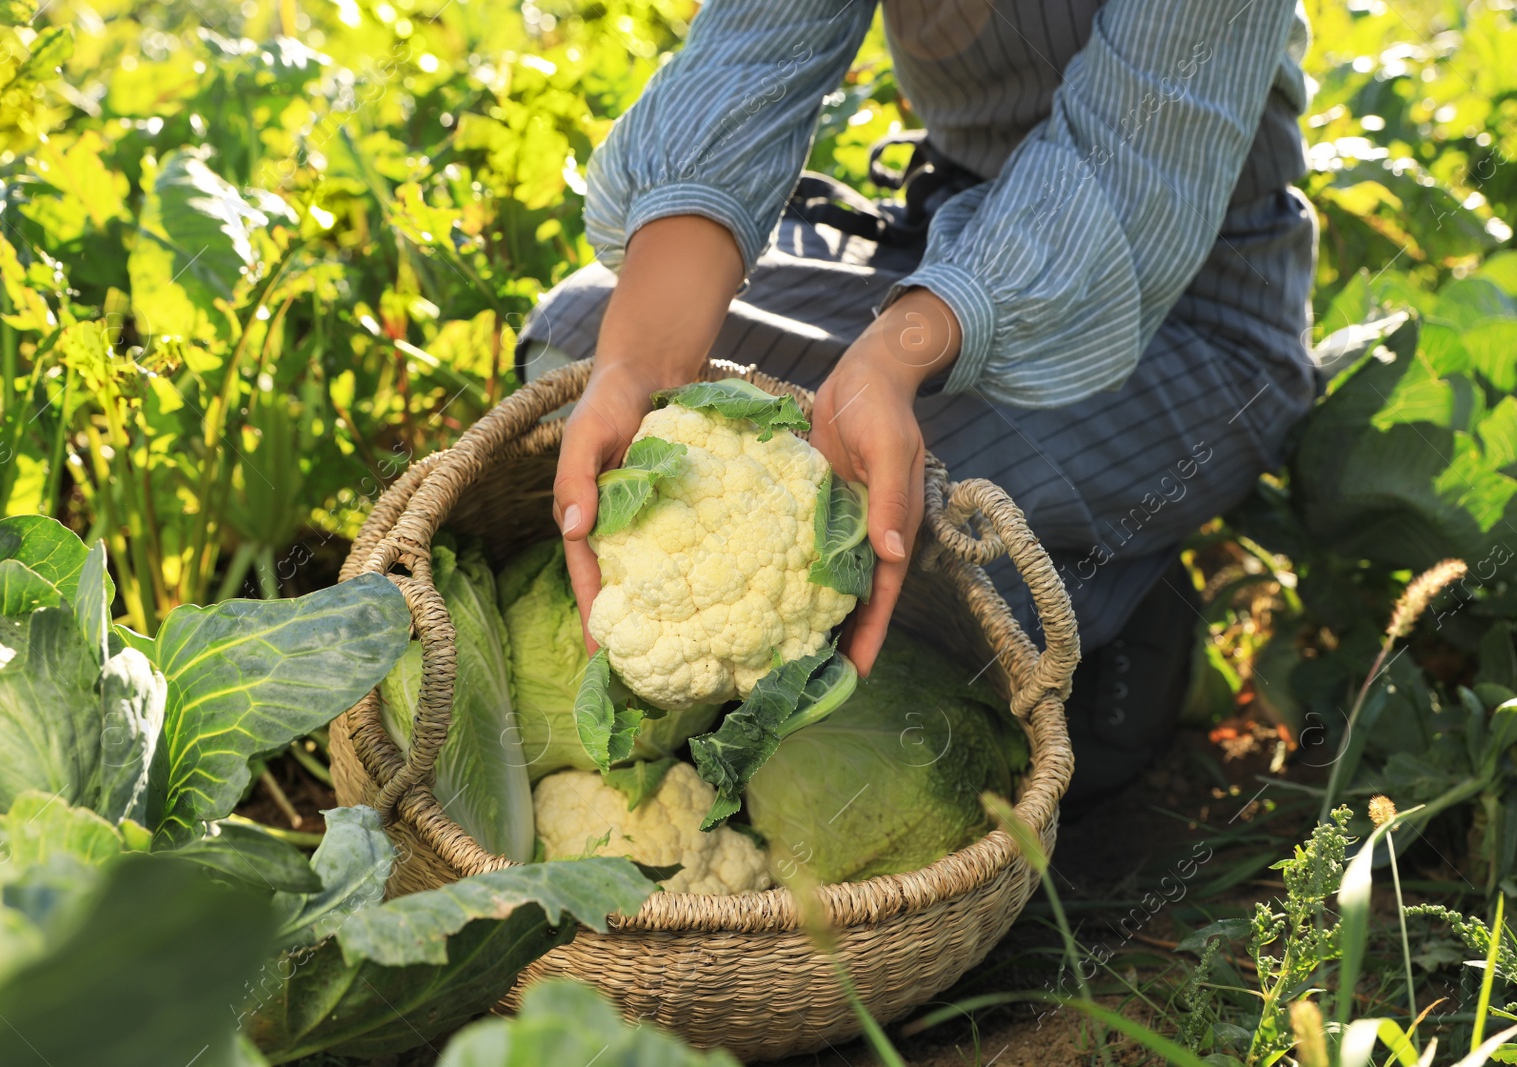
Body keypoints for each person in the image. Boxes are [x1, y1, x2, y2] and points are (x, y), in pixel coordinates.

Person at [517, 0, 1318, 804]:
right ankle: (1075, 564)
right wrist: (640, 363)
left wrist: (893, 363)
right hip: (943, 243)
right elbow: (755, 50)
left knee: (889, 563)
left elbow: (1122, 166)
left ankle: (1122, 598)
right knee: (580, 349)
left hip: (1190, 316)